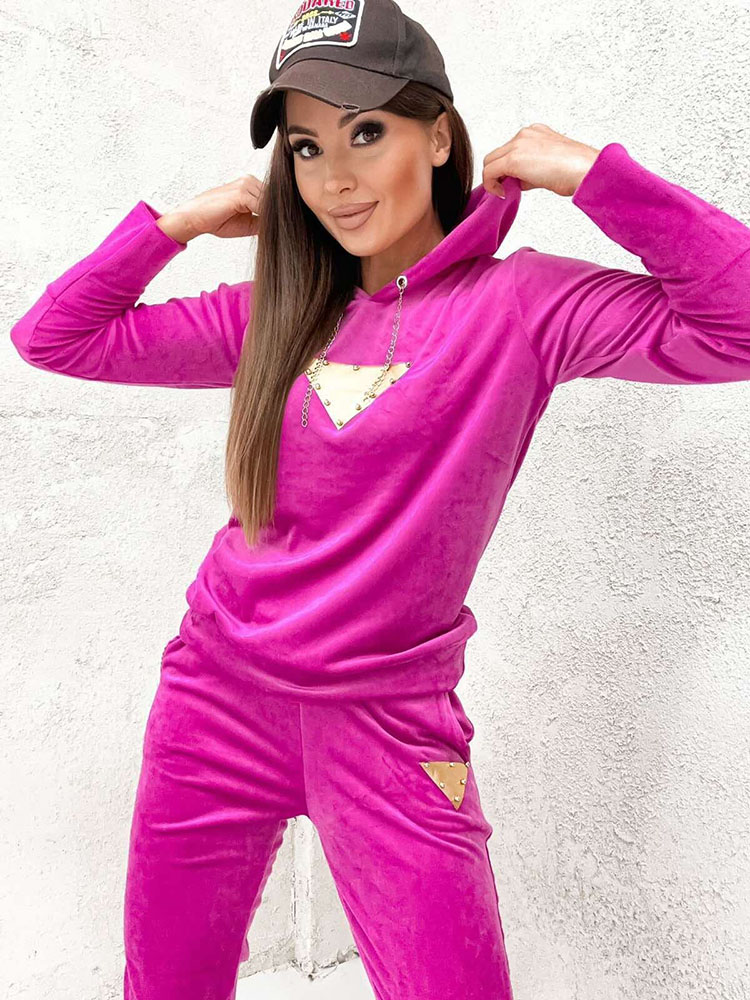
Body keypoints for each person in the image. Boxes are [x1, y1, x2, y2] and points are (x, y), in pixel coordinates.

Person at [9, 0, 750, 997]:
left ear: (437, 135)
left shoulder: (521, 305)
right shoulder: (273, 314)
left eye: (366, 132)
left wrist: (594, 176)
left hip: (391, 725)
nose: (336, 178)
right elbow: (55, 338)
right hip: (213, 703)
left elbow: (739, 324)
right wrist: (176, 226)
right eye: (307, 148)